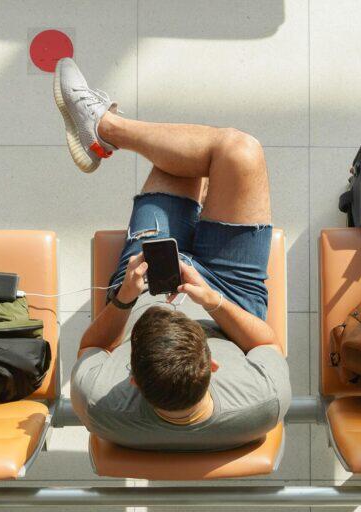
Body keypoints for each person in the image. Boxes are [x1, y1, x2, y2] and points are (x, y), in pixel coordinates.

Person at [58, 58, 291, 451]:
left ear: (132, 379)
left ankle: (104, 131)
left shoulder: (101, 401)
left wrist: (125, 298)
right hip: (230, 302)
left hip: (143, 286)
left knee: (194, 163)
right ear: (212, 366)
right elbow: (267, 344)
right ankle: (104, 129)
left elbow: (91, 349)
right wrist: (211, 300)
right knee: (226, 151)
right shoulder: (263, 401)